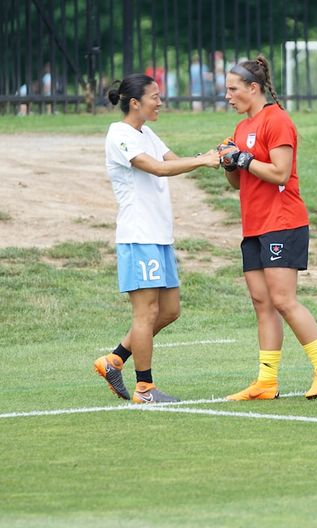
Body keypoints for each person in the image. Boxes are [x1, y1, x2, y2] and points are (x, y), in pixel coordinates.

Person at [218, 54, 317, 401]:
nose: (227, 96)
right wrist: (230, 161)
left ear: (253, 88)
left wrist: (245, 159)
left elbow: (280, 173)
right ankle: (266, 382)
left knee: (284, 300)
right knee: (262, 302)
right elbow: (237, 185)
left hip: (283, 223)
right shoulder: (242, 128)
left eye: (232, 89)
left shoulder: (277, 120)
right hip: (255, 226)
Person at [94, 73, 220, 403]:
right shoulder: (119, 135)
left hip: (160, 236)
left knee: (170, 310)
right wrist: (203, 161)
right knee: (145, 314)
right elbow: (157, 169)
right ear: (135, 103)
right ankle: (145, 389)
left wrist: (210, 157)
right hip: (139, 236)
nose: (160, 101)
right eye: (154, 96)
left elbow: (172, 161)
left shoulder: (146, 132)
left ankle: (115, 359)